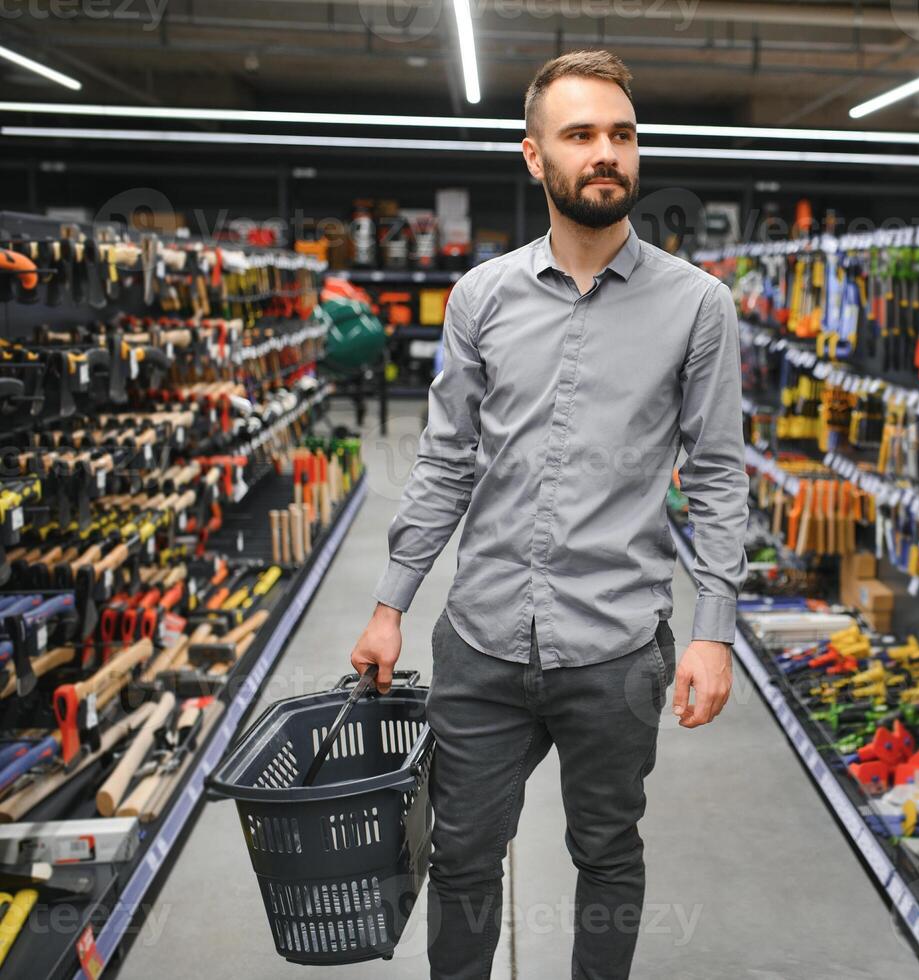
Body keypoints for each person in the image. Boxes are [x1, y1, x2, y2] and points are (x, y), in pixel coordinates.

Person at [348, 48, 749, 980]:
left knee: (607, 856)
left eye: (621, 134)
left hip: (615, 651)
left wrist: (713, 629)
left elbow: (719, 472)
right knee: (461, 858)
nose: (605, 152)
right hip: (481, 642)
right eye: (580, 135)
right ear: (535, 157)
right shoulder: (480, 297)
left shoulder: (698, 306)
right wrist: (389, 603)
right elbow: (445, 460)